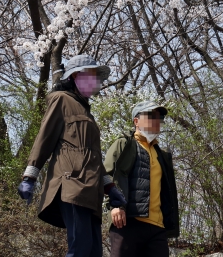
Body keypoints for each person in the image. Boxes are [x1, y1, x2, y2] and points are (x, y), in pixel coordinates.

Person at [17, 54, 127, 257]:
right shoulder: (61, 100)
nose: (96, 81)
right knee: (80, 249)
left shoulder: (87, 112)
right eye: (92, 75)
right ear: (76, 76)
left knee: (94, 252)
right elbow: (44, 138)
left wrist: (110, 187)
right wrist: (30, 176)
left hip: (91, 192)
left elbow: (92, 157)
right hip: (71, 184)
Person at [104, 100, 180, 257]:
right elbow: (108, 174)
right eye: (151, 116)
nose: (157, 121)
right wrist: (115, 206)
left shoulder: (163, 155)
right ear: (136, 121)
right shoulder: (125, 144)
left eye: (159, 118)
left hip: (157, 229)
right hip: (128, 223)